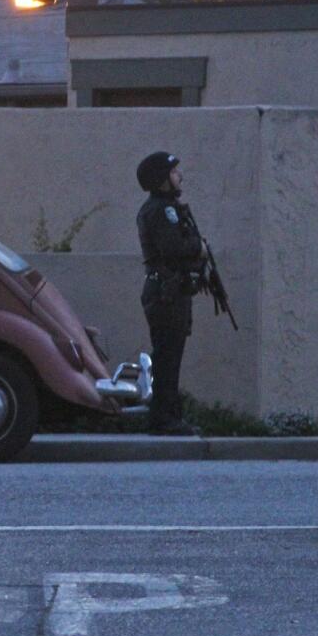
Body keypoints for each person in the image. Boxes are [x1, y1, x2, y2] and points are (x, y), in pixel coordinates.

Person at [135, 150, 206, 436]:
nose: (180, 176)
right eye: (174, 172)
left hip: (169, 292)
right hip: (166, 293)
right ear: (162, 180)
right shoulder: (161, 211)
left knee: (170, 355)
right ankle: (164, 419)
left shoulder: (165, 209)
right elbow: (172, 249)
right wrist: (198, 247)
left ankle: (168, 416)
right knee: (167, 356)